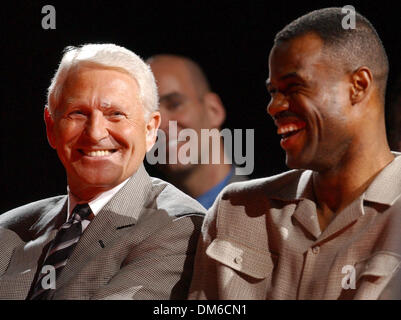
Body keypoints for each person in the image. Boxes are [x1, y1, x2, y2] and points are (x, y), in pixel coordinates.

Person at [189, 8, 401, 300]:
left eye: (294, 87)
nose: (273, 107)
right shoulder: (236, 210)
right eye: (273, 91)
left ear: (358, 86)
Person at [0, 44, 205, 300]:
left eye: (115, 114)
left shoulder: (177, 225)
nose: (95, 133)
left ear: (150, 129)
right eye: (78, 113)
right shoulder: (7, 229)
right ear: (51, 127)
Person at [147, 55, 248, 209]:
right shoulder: (142, 229)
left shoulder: (271, 218)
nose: (160, 125)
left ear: (213, 110)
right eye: (147, 116)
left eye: (174, 104)